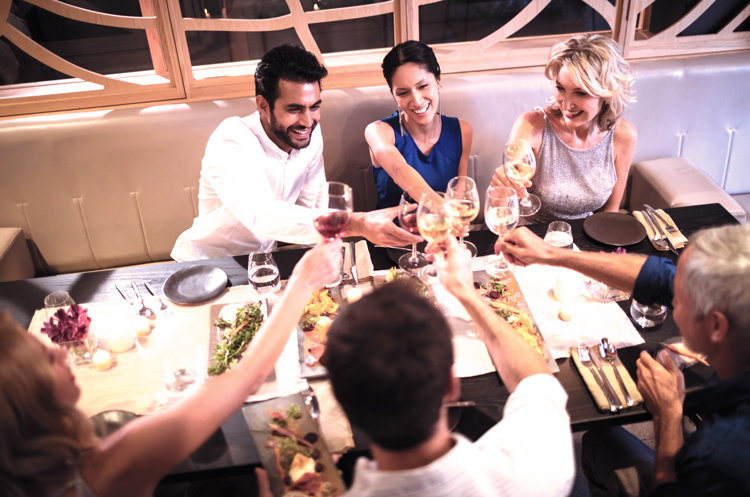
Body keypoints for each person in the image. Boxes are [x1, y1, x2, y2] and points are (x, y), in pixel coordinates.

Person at [0, 239, 342, 497]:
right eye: (46, 359)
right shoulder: (107, 468)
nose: (60, 354)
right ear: (31, 404)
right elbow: (246, 376)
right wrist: (301, 283)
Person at [497, 225, 750, 496]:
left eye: (680, 298)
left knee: (596, 442)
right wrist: (549, 253)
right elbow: (660, 278)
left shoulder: (726, 454)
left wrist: (668, 417)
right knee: (599, 438)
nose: (671, 297)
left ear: (716, 326)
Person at [321, 237, 575, 496]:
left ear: (343, 406)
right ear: (451, 386)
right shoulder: (539, 463)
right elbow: (538, 380)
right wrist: (466, 291)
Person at [171, 44, 420, 261]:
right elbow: (260, 215)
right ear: (263, 105)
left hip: (264, 262)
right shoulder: (231, 141)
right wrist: (358, 223)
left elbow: (315, 206)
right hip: (209, 263)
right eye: (294, 109)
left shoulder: (309, 133)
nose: (307, 121)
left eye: (314, 107)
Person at [491, 34, 637, 224]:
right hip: (533, 237)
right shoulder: (532, 126)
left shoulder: (623, 135)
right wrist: (503, 186)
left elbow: (611, 212)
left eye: (580, 92)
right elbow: (506, 198)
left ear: (606, 93)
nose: (566, 104)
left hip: (586, 237)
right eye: (560, 88)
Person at [366, 40, 473, 209]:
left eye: (422, 86)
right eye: (403, 92)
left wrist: (456, 220)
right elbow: (398, 170)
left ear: (438, 79)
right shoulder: (378, 132)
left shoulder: (461, 131)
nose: (416, 101)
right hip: (391, 234)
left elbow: (459, 195)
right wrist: (446, 212)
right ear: (394, 95)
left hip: (441, 233)